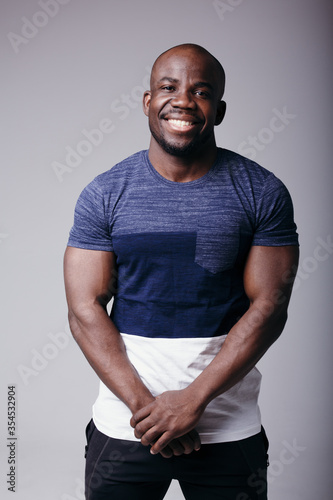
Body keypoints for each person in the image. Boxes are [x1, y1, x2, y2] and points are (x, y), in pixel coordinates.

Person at [64, 43, 299, 500]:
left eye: (201, 91)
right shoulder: (105, 192)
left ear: (220, 109)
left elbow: (270, 307)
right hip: (126, 423)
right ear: (148, 102)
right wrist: (150, 412)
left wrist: (193, 402)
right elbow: (83, 310)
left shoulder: (262, 191)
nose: (184, 100)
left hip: (226, 426)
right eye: (168, 87)